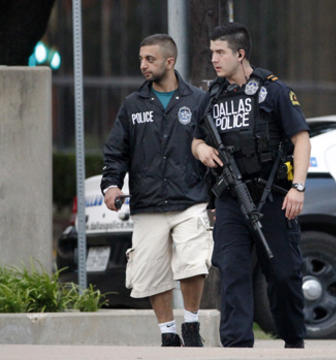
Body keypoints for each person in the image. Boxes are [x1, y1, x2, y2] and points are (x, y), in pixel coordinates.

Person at [191, 23, 310, 348]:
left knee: (283, 275)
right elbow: (196, 139)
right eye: (212, 51)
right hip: (230, 199)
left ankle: (293, 340)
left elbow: (301, 139)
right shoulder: (212, 96)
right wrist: (201, 149)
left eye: (220, 52)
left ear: (240, 54)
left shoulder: (274, 91)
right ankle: (237, 347)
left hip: (273, 196)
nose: (214, 58)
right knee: (232, 271)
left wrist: (298, 187)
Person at [101, 34, 212, 347]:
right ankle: (167, 333)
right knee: (151, 272)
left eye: (149, 59)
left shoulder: (197, 101)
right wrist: (111, 185)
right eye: (141, 59)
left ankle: (191, 325)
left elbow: (213, 147)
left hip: (190, 199)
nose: (143, 65)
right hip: (147, 202)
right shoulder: (132, 105)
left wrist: (214, 197)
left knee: (192, 262)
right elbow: (116, 152)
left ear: (169, 61)